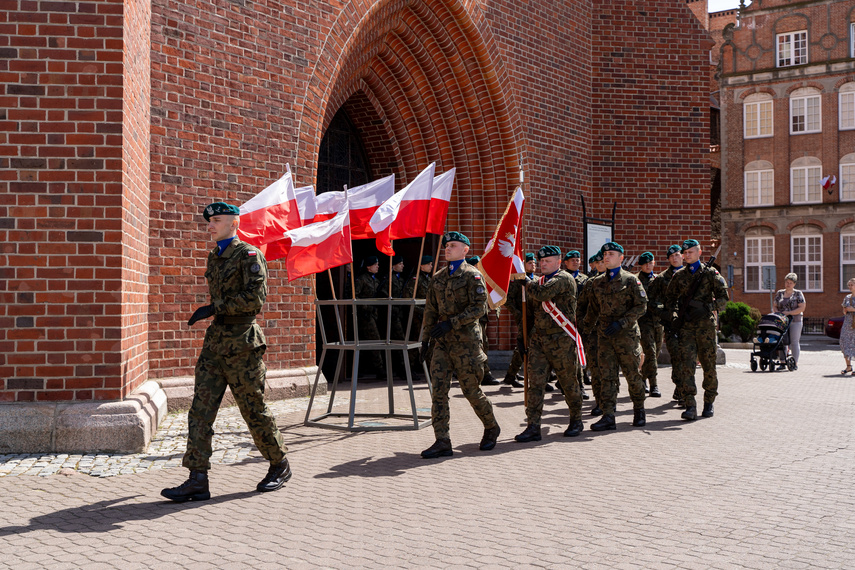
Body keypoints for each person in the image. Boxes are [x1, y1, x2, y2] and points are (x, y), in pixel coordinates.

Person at [161, 202, 290, 502]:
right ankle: (197, 478)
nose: (210, 226)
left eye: (216, 221)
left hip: (243, 343)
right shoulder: (215, 256)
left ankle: (279, 464)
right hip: (216, 343)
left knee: (253, 409)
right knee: (200, 411)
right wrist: (214, 312)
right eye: (209, 221)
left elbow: (254, 300)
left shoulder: (249, 255)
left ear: (234, 223)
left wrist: (213, 307)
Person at [420, 232, 500, 458]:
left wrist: (451, 323)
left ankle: (492, 427)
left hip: (466, 343)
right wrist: (425, 339)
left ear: (465, 250)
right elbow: (430, 310)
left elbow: (479, 308)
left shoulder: (472, 276)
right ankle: (442, 440)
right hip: (443, 344)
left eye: (453, 245)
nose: (447, 248)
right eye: (446, 245)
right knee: (439, 392)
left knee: (471, 391)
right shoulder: (438, 277)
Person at [514, 245, 583, 442]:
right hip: (539, 341)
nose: (543, 264)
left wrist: (525, 280)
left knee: (568, 382)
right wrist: (522, 337)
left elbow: (542, 294)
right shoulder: (538, 281)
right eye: (541, 261)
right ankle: (533, 426)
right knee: (535, 384)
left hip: (561, 340)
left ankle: (576, 420)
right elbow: (530, 314)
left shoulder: (564, 279)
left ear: (558, 263)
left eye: (548, 261)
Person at [583, 242, 648, 430]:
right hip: (605, 336)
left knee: (632, 374)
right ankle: (608, 415)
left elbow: (641, 306)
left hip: (626, 336)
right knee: (607, 376)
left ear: (621, 258)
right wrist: (585, 330)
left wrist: (622, 322)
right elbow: (593, 309)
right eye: (605, 254)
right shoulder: (597, 282)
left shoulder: (631, 280)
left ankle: (639, 410)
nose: (606, 257)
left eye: (611, 254)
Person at [665, 239, 729, 420]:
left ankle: (709, 402)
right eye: (684, 253)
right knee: (687, 366)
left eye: (690, 252)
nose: (686, 255)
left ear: (699, 253)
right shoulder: (679, 276)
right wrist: (676, 316)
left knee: (709, 365)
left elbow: (724, 299)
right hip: (686, 328)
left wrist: (708, 307)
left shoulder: (710, 274)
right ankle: (690, 405)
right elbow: (669, 299)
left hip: (705, 328)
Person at [647, 245, 685, 404]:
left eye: (677, 255)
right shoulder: (661, 279)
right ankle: (681, 387)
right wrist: (665, 313)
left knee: (688, 359)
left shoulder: (694, 275)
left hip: (691, 324)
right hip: (672, 325)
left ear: (682, 256)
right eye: (672, 256)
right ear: (668, 259)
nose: (675, 258)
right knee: (677, 359)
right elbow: (651, 300)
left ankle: (684, 390)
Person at [503, 252, 536, 388]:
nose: (533, 265)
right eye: (529, 263)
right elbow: (508, 300)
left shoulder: (538, 280)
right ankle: (511, 375)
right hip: (524, 318)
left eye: (534, 263)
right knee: (522, 346)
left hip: (537, 318)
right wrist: (518, 315)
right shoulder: (518, 281)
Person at [467, 255, 500, 386]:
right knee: (476, 347)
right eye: (478, 265)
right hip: (471, 321)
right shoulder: (469, 280)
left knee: (483, 345)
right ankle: (482, 374)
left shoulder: (481, 279)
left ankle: (483, 374)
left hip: (481, 319)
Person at [579, 251, 606, 415]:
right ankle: (600, 401)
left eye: (603, 262)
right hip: (594, 333)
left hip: (614, 332)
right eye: (599, 262)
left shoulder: (622, 280)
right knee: (595, 369)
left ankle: (610, 400)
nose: (601, 265)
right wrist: (584, 326)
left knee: (609, 370)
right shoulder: (590, 283)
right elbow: (581, 306)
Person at [563, 250, 590, 401]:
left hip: (581, 322)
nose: (575, 262)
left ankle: (581, 385)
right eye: (572, 260)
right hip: (565, 322)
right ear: (565, 262)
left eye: (578, 259)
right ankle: (570, 384)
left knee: (581, 354)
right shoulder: (560, 278)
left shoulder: (585, 280)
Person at [635, 251, 663, 397]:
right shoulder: (635, 280)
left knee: (656, 352)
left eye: (650, 262)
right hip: (643, 322)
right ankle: (653, 384)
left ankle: (643, 376)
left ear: (653, 263)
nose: (648, 265)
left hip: (658, 322)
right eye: (645, 263)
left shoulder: (658, 280)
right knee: (650, 353)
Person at [354, 255, 386, 379]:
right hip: (365, 316)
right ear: (368, 267)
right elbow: (355, 297)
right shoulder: (362, 280)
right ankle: (379, 369)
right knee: (375, 340)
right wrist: (367, 307)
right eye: (375, 264)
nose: (378, 266)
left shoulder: (376, 281)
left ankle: (363, 368)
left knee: (367, 342)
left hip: (374, 314)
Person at [404, 255, 434, 375]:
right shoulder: (415, 281)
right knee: (416, 343)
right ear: (422, 266)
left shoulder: (428, 279)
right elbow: (408, 299)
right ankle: (410, 369)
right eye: (429, 264)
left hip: (428, 316)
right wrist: (422, 311)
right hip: (418, 317)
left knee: (428, 342)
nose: (431, 266)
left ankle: (427, 368)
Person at [378, 255, 407, 376]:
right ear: (393, 266)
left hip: (399, 313)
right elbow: (382, 293)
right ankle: (400, 368)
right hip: (390, 314)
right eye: (400, 264)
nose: (402, 266)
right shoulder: (388, 279)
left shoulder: (400, 279)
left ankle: (401, 367)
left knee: (400, 340)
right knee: (398, 340)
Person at [774, 272, 806, 370]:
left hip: (795, 320)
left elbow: (802, 307)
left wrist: (790, 313)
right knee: (782, 341)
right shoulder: (780, 293)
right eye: (787, 282)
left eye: (790, 283)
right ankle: (782, 362)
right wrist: (778, 314)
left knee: (794, 342)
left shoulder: (798, 293)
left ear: (794, 284)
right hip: (782, 321)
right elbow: (775, 305)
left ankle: (794, 363)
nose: (788, 284)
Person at [840, 277, 855, 374]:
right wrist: (845, 310)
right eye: (848, 285)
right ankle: (848, 366)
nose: (849, 287)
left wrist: (853, 309)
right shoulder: (847, 297)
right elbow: (844, 311)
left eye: (851, 285)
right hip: (848, 323)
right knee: (844, 342)